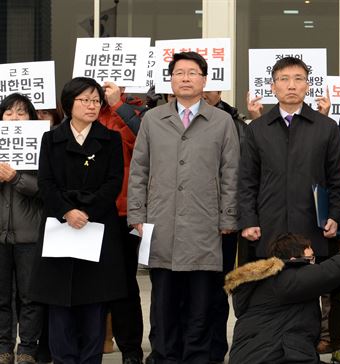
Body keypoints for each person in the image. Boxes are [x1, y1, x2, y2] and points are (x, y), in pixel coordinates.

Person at [128, 51, 240, 363]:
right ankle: (165, 356)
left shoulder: (221, 122)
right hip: (161, 223)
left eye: (193, 73)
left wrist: (228, 215)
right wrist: (137, 214)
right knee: (163, 302)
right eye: (180, 73)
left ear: (205, 80)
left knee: (202, 302)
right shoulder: (152, 119)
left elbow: (231, 172)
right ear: (171, 80)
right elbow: (139, 169)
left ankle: (197, 356)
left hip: (205, 226)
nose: (186, 78)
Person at [29, 77, 127, 364]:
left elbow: (114, 182)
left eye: (96, 100)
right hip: (61, 227)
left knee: (94, 302)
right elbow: (45, 183)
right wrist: (67, 211)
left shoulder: (110, 139)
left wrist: (87, 211)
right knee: (59, 303)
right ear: (68, 104)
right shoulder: (51, 138)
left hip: (96, 227)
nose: (91, 105)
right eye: (85, 100)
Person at [238, 56, 340, 261]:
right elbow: (247, 180)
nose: (291, 85)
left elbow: (338, 179)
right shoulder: (257, 129)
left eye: (298, 79)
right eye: (284, 79)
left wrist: (335, 216)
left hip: (312, 226)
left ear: (307, 86)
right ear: (273, 86)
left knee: (307, 289)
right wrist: (248, 220)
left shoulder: (326, 127)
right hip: (268, 226)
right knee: (268, 289)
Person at [224, 225, 340, 364]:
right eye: (310, 259)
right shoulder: (284, 279)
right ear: (294, 260)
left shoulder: (271, 282)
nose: (314, 264)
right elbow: (330, 271)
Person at [99, 81, 147, 364]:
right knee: (90, 284)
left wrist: (118, 105)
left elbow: (141, 142)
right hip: (90, 213)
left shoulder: (137, 112)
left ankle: (131, 349)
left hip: (123, 212)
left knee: (125, 285)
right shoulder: (84, 110)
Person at [201, 89, 247, 364]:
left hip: (223, 221)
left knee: (219, 288)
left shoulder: (234, 122)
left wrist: (230, 216)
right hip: (185, 219)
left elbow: (237, 173)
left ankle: (215, 348)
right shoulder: (163, 117)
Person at [0, 94, 44, 364]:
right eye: (8, 113)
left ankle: (28, 348)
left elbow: (46, 189)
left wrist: (16, 178)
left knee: (29, 296)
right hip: (0, 235)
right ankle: (4, 348)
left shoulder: (42, 145)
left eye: (21, 113)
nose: (15, 118)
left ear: (31, 117)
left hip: (30, 233)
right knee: (1, 296)